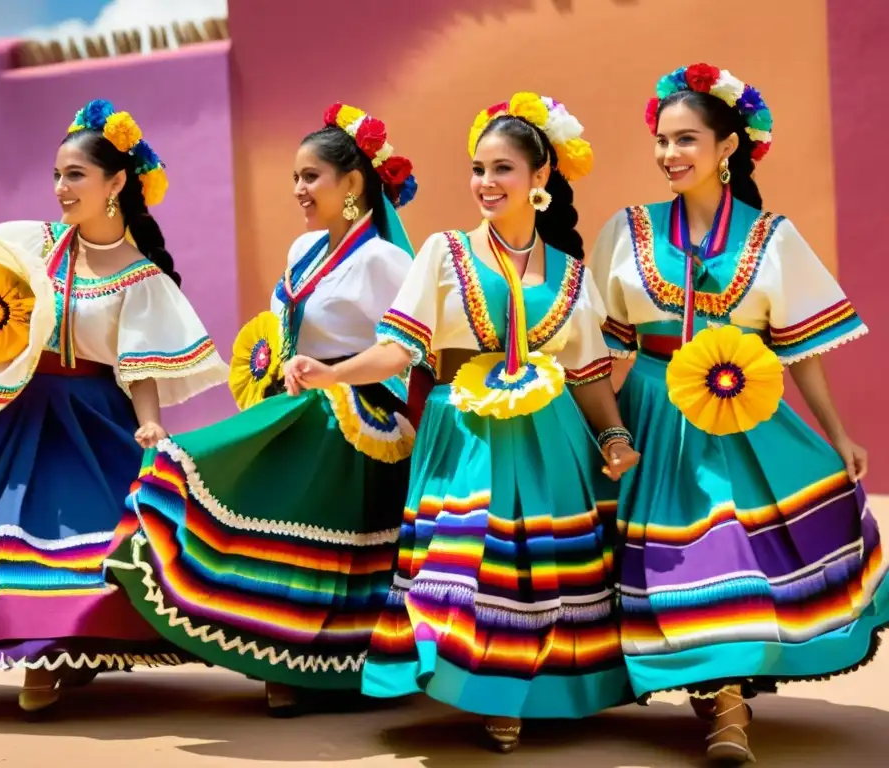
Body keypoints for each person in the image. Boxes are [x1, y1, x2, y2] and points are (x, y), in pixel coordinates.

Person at [285, 93, 640, 753]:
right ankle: (488, 693)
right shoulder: (443, 255)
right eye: (478, 168)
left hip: (547, 439)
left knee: (538, 568)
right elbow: (402, 348)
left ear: (540, 179)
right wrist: (334, 372)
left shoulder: (569, 273)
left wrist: (614, 436)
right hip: (463, 435)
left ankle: (530, 693)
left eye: (502, 169)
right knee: (464, 564)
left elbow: (588, 373)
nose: (485, 182)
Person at [0, 99, 228, 713]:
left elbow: (139, 365)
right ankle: (42, 658)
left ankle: (59, 658)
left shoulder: (140, 277)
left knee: (78, 536)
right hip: (16, 415)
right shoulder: (29, 245)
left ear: (116, 183)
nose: (61, 187)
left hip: (91, 419)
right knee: (0, 528)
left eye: (76, 175)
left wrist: (149, 423)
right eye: (57, 175)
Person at [590, 63, 888, 764]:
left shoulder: (772, 237)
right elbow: (603, 347)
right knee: (664, 563)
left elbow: (800, 350)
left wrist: (836, 432)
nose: (670, 155)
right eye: (663, 140)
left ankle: (728, 713)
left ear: (728, 147)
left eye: (687, 139)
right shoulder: (626, 230)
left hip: (739, 420)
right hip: (653, 415)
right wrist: (605, 429)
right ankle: (704, 692)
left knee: (725, 553)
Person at [106, 102, 421, 717]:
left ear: (352, 183)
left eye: (312, 177)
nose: (299, 189)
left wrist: (335, 374)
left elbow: (406, 350)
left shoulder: (385, 260)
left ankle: (313, 664)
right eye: (295, 177)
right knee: (199, 470)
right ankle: (273, 652)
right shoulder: (304, 250)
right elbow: (282, 328)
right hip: (299, 403)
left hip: (356, 421)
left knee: (303, 531)